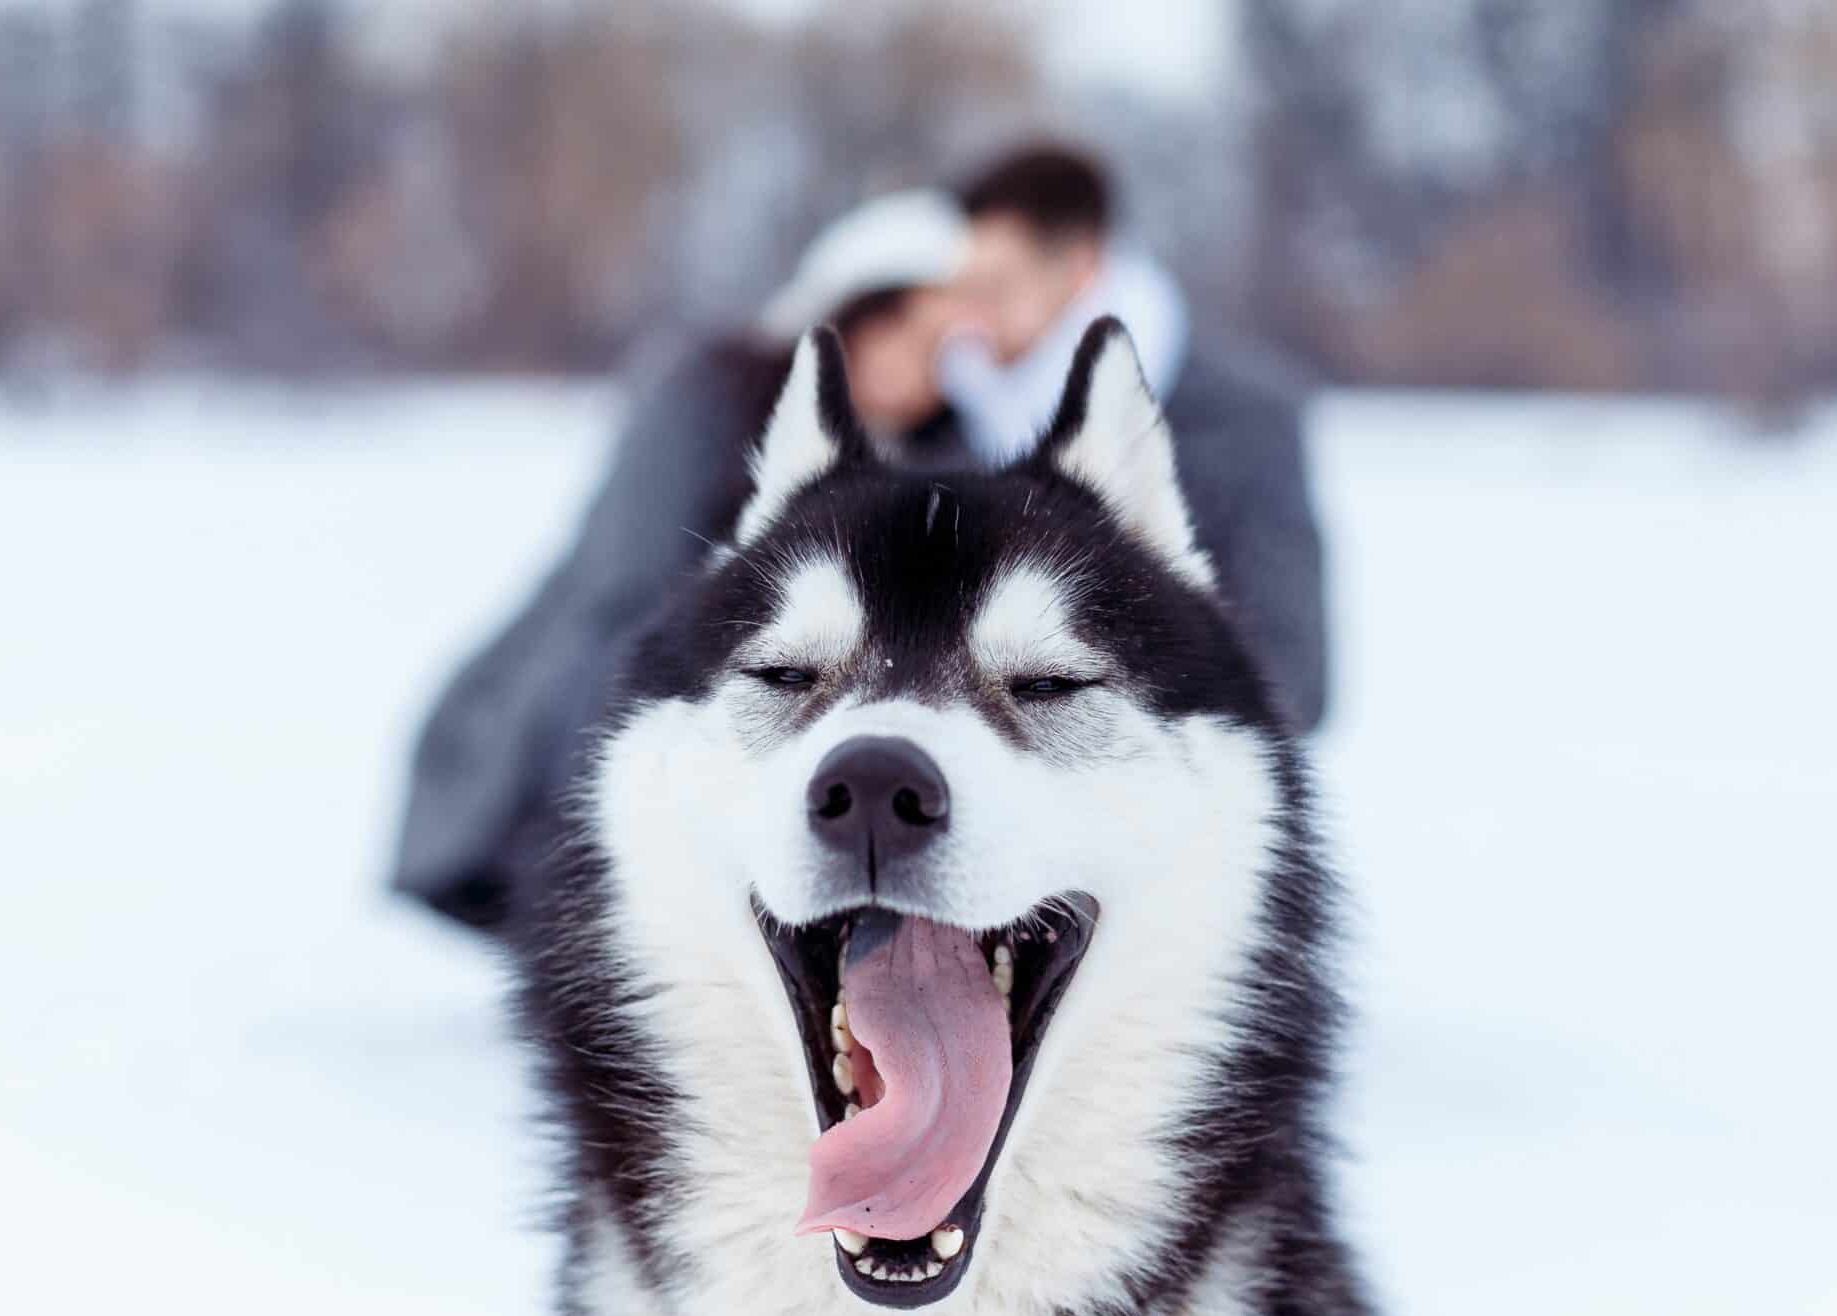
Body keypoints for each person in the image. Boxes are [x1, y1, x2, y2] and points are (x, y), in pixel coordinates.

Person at [391, 192, 971, 930]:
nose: (930, 371)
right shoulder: (710, 395)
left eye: (943, 351)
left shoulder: (939, 449)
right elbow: (626, 574)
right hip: (616, 660)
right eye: (914, 340)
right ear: (857, 318)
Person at [934, 145, 1331, 735]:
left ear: (1081, 266)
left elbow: (1292, 677)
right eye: (964, 289)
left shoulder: (1242, 418)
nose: (969, 318)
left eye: (996, 289)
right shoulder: (950, 408)